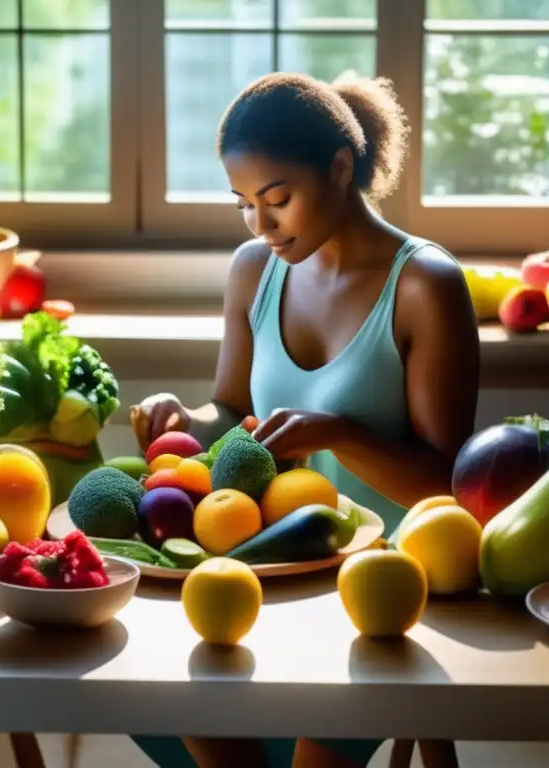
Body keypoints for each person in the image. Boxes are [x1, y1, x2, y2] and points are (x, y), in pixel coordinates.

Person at [129, 70, 480, 768]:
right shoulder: (254, 271)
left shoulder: (424, 286)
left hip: (389, 595)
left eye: (278, 200)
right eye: (243, 205)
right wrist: (181, 420)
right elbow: (232, 412)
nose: (261, 225)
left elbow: (450, 487)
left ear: (341, 169)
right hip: (273, 571)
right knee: (151, 689)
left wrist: (339, 433)